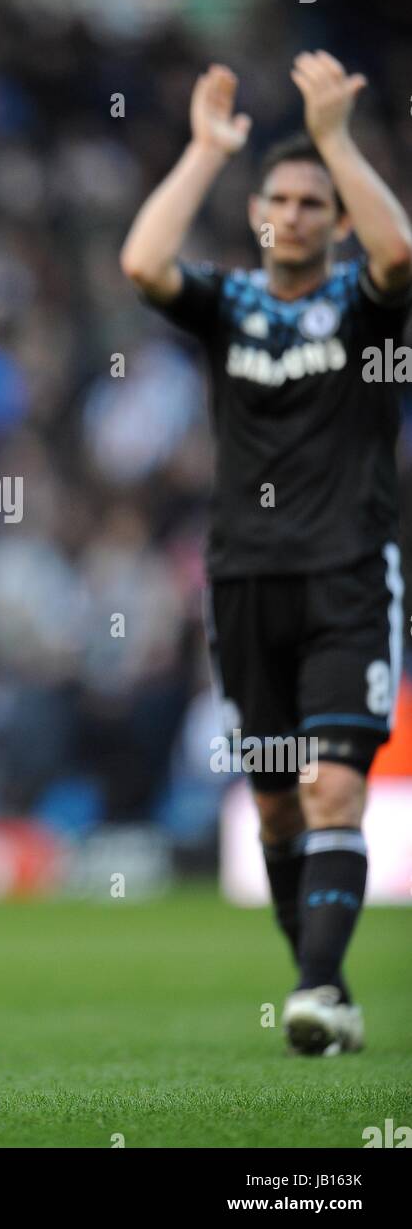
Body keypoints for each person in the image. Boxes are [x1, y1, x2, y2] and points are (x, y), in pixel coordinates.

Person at [120, 52, 411, 1055]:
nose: (291, 214)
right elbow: (141, 264)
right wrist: (205, 150)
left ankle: (321, 987)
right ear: (257, 214)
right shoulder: (231, 304)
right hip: (241, 576)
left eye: (310, 202)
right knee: (277, 806)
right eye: (277, 199)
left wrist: (335, 140)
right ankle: (315, 982)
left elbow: (402, 252)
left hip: (344, 571)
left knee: (335, 786)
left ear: (334, 220)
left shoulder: (367, 310)